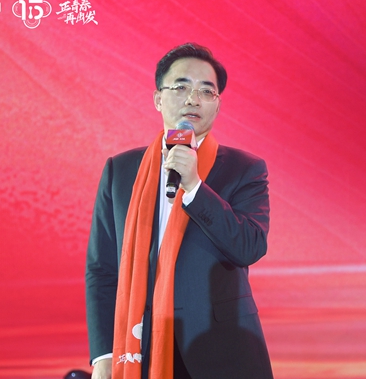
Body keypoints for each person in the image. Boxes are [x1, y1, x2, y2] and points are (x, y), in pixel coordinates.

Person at [86, 43, 273, 379]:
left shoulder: (245, 169)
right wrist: (103, 354)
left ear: (217, 105)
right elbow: (102, 269)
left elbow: (249, 246)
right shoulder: (120, 171)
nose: (193, 99)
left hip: (221, 351)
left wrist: (195, 187)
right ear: (158, 98)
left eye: (206, 91)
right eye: (181, 87)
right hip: (140, 346)